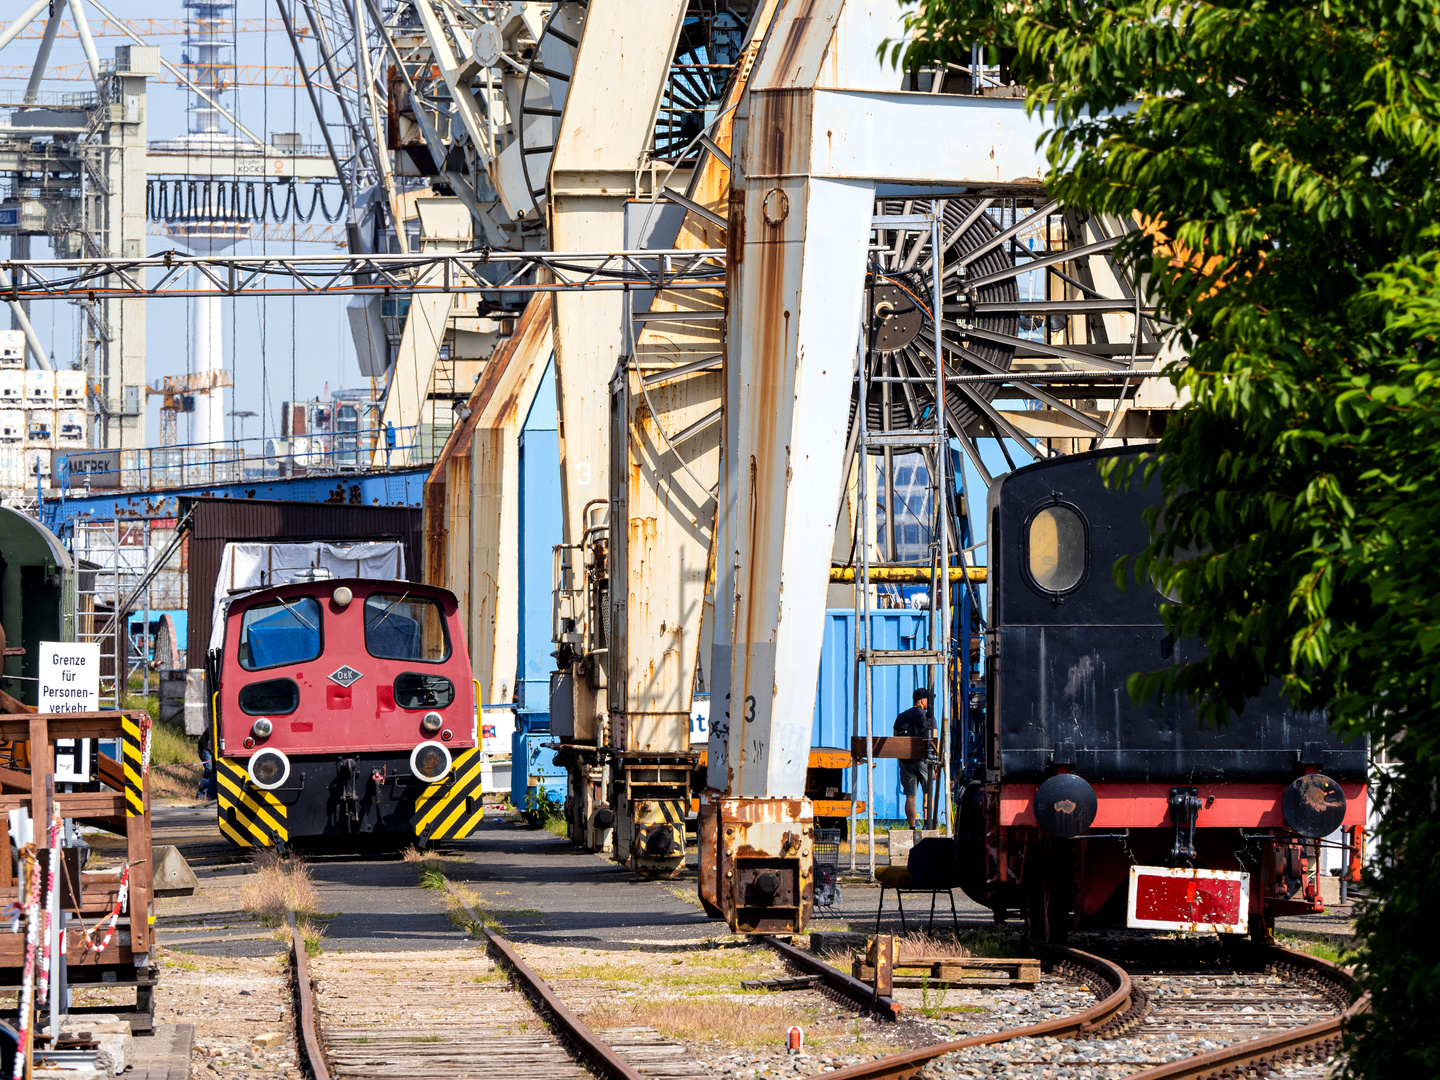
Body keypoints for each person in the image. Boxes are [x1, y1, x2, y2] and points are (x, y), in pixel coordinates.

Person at [894, 687, 935, 831]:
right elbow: (934, 739)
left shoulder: (901, 716)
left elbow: (895, 741)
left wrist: (900, 761)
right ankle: (927, 825)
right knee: (927, 793)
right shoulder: (927, 717)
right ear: (923, 700)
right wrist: (935, 765)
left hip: (906, 761)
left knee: (910, 797)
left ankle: (912, 828)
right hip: (923, 761)